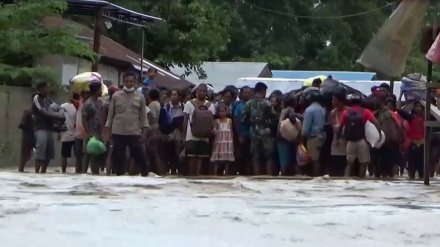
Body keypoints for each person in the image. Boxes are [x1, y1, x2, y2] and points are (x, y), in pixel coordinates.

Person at [104, 71, 149, 176]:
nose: (129, 83)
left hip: (134, 132)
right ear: (123, 82)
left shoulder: (140, 97)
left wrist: (144, 132)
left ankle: (145, 176)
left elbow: (144, 117)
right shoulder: (116, 96)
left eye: (131, 81)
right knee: (119, 157)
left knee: (140, 156)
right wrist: (107, 131)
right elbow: (110, 115)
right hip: (118, 131)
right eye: (127, 81)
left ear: (135, 82)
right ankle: (120, 179)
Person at [337, 93, 381, 178]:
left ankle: (346, 180)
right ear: (361, 102)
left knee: (349, 164)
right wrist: (379, 136)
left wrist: (337, 139)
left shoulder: (346, 112)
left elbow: (340, 127)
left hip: (350, 142)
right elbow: (376, 123)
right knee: (363, 164)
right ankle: (361, 182)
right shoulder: (366, 112)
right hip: (362, 141)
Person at [182, 83, 215, 176]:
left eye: (204, 91)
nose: (202, 93)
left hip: (205, 136)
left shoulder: (210, 105)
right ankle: (191, 175)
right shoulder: (189, 104)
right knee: (191, 157)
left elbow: (212, 120)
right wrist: (184, 136)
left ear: (207, 92)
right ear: (196, 92)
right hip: (190, 135)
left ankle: (197, 175)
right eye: (200, 91)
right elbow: (185, 120)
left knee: (200, 158)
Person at [243, 82, 275, 175]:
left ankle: (257, 176)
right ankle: (268, 176)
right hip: (266, 133)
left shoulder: (248, 104)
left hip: (253, 132)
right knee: (268, 156)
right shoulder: (267, 103)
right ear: (263, 91)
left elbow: (244, 119)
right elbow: (273, 118)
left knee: (255, 157)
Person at [32, 82, 65, 173]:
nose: (49, 90)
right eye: (47, 88)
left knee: (49, 154)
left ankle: (43, 173)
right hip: (40, 128)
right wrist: (58, 116)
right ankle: (36, 174)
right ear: (42, 89)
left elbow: (58, 108)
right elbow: (44, 112)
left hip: (49, 129)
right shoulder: (37, 98)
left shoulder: (48, 100)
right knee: (40, 153)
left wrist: (61, 114)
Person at [300, 88, 326, 176]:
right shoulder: (322, 109)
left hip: (313, 138)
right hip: (322, 136)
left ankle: (316, 177)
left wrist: (301, 140)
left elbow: (305, 129)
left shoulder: (309, 110)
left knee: (314, 160)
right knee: (319, 159)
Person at [159, 89, 185, 174]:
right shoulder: (165, 108)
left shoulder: (184, 107)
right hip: (168, 135)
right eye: (172, 95)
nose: (173, 96)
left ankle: (176, 172)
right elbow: (161, 122)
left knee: (177, 156)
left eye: (175, 95)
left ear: (179, 96)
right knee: (166, 155)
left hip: (179, 135)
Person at [82, 82, 105, 174]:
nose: (101, 91)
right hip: (91, 133)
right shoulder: (88, 103)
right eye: (100, 89)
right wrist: (89, 133)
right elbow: (83, 119)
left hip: (100, 132)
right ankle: (86, 174)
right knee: (90, 155)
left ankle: (96, 174)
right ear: (95, 90)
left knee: (98, 155)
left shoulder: (100, 102)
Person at [146, 89, 167, 175]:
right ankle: (159, 172)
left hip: (153, 130)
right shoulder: (158, 104)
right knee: (156, 154)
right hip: (157, 130)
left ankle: (161, 172)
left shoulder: (153, 105)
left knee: (155, 154)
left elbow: (153, 118)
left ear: (149, 96)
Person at [276, 96, 298, 176]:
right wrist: (298, 127)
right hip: (285, 137)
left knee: (283, 159)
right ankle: (284, 176)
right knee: (286, 161)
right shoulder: (290, 109)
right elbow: (292, 117)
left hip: (279, 136)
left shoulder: (283, 110)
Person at [211, 104, 234, 175]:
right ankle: (215, 174)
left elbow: (231, 131)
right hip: (219, 141)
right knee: (217, 160)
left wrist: (232, 141)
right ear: (218, 112)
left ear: (227, 112)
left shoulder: (229, 121)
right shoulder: (216, 121)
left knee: (227, 160)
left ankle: (226, 173)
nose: (222, 113)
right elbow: (214, 129)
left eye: (224, 111)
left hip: (227, 141)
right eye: (220, 111)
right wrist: (214, 131)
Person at [59, 93, 80, 173]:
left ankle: (63, 172)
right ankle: (78, 171)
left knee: (64, 155)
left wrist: (59, 133)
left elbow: (59, 119)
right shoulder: (78, 107)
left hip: (66, 134)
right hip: (76, 134)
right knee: (78, 155)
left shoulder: (63, 106)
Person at [233, 86, 251, 175]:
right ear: (241, 94)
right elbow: (235, 121)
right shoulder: (238, 106)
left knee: (249, 156)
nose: (247, 94)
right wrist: (239, 135)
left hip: (251, 134)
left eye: (249, 93)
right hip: (241, 134)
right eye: (245, 93)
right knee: (240, 155)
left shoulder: (251, 105)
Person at [329, 91, 348, 176]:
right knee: (335, 167)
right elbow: (334, 127)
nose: (332, 102)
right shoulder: (333, 113)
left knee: (345, 166)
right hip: (336, 143)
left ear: (340, 101)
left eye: (334, 100)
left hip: (346, 143)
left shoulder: (348, 111)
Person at [18, 94, 36, 172]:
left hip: (35, 136)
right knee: (25, 157)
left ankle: (39, 174)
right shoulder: (28, 112)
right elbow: (22, 124)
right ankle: (21, 171)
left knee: (41, 157)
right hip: (28, 137)